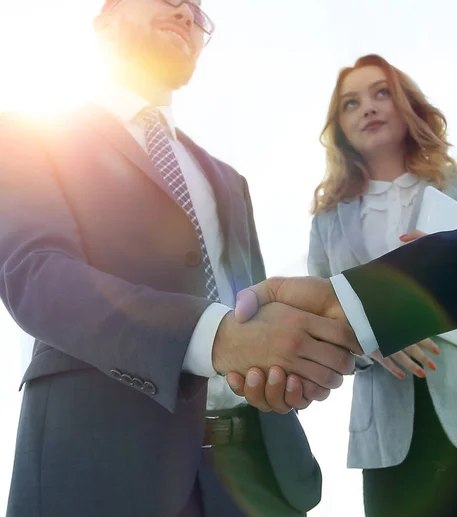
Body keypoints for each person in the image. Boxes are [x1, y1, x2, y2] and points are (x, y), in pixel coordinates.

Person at [227, 0, 457, 508]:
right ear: (337, 127)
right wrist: (371, 338)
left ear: (408, 106)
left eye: (383, 92)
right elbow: (329, 327)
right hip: (391, 444)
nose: (370, 107)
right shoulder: (327, 224)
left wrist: (427, 303)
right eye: (351, 102)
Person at [0, 1, 362, 516]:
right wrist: (216, 337)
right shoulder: (28, 134)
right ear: (104, 22)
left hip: (255, 476)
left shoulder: (228, 180)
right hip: (102, 470)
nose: (186, 11)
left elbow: (251, 303)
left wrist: (284, 363)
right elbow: (34, 275)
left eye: (197, 11)